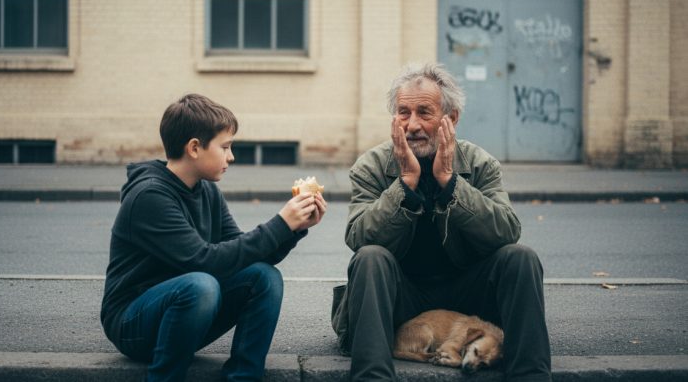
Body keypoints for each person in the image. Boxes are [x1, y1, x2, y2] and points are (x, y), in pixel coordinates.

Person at [331, 62, 551, 381]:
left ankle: (530, 375)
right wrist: (404, 184)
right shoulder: (372, 166)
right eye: (403, 113)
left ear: (451, 118)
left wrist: (451, 183)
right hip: (401, 302)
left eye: (425, 112)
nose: (413, 125)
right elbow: (359, 237)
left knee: (521, 258)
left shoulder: (479, 164)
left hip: (468, 301)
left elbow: (507, 231)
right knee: (369, 257)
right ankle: (372, 377)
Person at [101, 93, 327, 382]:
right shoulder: (149, 196)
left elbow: (243, 256)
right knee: (201, 284)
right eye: (225, 147)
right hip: (133, 324)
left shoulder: (206, 190)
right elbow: (204, 261)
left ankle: (243, 377)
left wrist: (293, 229)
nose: (231, 156)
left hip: (186, 314)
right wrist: (281, 222)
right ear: (195, 148)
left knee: (263, 276)